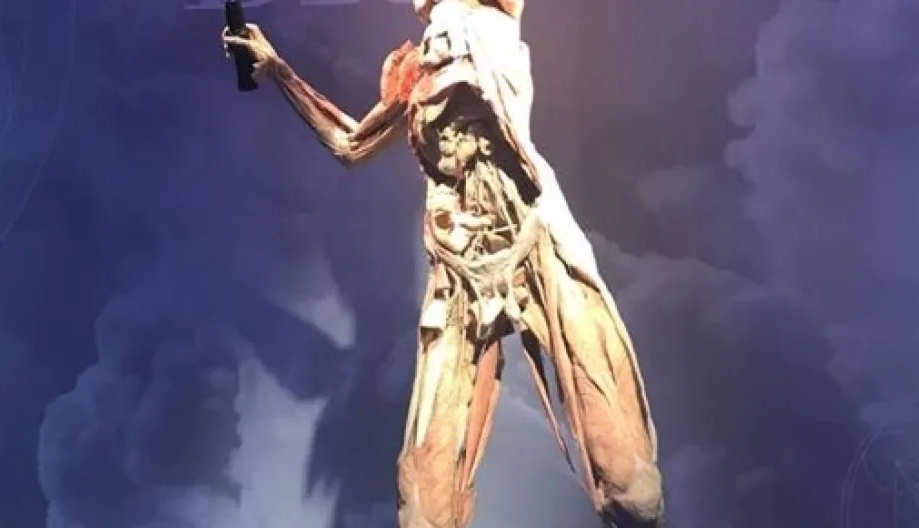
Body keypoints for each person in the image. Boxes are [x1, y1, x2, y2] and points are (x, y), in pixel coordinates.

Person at [222, 1, 665, 526]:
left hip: (534, 239)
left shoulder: (492, 15)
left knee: (630, 487)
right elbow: (351, 143)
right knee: (424, 507)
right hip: (457, 272)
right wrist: (277, 70)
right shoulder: (415, 71)